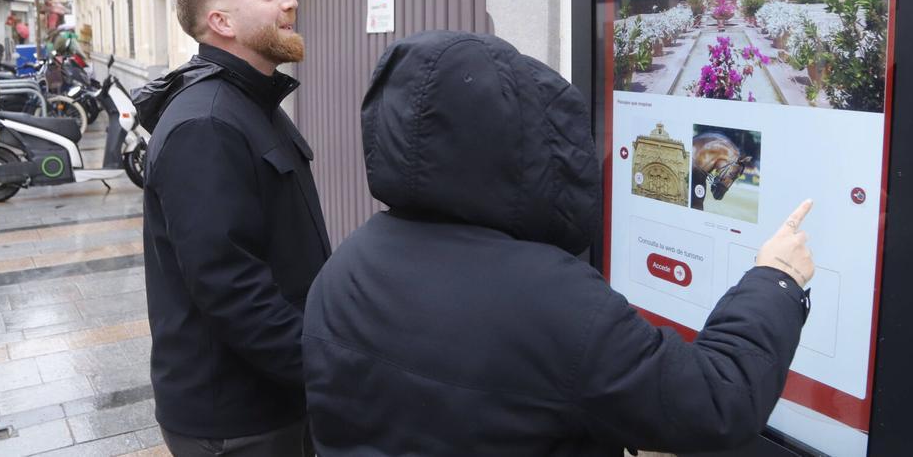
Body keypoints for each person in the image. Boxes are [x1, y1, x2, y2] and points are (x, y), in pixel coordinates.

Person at [303, 30, 814, 456]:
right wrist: (776, 280)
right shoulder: (551, 298)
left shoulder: (346, 266)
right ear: (517, 143)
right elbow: (716, 402)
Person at [134, 0, 330, 456]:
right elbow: (231, 286)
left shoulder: (250, 103)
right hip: (236, 417)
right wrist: (323, 369)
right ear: (220, 21)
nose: (289, 1)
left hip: (274, 396)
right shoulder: (207, 123)